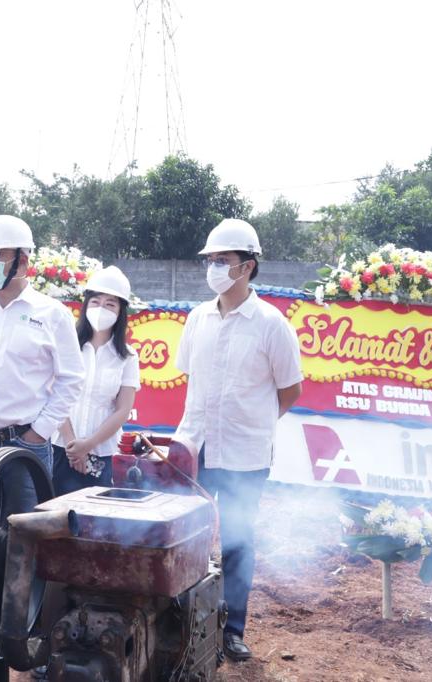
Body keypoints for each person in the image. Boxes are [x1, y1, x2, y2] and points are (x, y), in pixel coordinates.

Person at [174, 218, 303, 662]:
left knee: (237, 542)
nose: (213, 267)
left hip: (245, 455)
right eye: (210, 259)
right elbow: (190, 376)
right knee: (184, 537)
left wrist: (254, 422)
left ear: (247, 266)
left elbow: (290, 390)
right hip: (194, 447)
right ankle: (180, 624)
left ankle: (231, 629)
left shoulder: (272, 324)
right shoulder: (197, 318)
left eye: (222, 260)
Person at [0, 215, 84, 505]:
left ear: (22, 261)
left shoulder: (52, 314)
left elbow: (72, 378)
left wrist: (40, 432)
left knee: (25, 528)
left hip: (25, 445)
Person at [52, 265, 139, 495]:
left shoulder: (127, 357)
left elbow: (122, 410)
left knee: (95, 514)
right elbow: (55, 393)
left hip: (103, 452)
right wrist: (73, 445)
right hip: (60, 447)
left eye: (110, 304)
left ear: (121, 311)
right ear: (86, 305)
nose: (101, 309)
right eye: (95, 302)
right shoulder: (67, 346)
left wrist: (88, 445)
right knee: (52, 511)